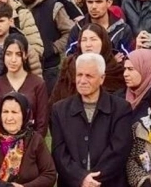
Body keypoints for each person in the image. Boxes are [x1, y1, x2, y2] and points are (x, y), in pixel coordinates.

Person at [50, 53, 133, 187]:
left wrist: (93, 180)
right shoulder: (59, 110)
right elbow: (59, 153)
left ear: (102, 78)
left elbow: (119, 150)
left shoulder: (121, 109)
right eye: (79, 75)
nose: (82, 80)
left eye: (89, 76)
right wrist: (81, 178)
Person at [0, 92, 57, 187]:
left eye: (14, 112)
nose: (9, 118)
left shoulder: (34, 139)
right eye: (5, 112)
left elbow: (50, 174)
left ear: (24, 114)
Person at [0, 35, 49, 136]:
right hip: (2, 145)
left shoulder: (38, 84)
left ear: (25, 55)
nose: (13, 60)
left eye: (18, 54)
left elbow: (42, 123)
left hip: (32, 145)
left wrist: (32, 146)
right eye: (9, 54)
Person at [51, 24, 126, 105]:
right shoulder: (70, 65)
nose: (88, 44)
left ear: (103, 42)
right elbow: (55, 98)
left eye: (93, 39)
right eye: (84, 40)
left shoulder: (116, 71)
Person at [122, 48, 151, 122]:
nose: (125, 74)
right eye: (125, 69)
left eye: (130, 69)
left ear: (146, 69)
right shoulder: (120, 96)